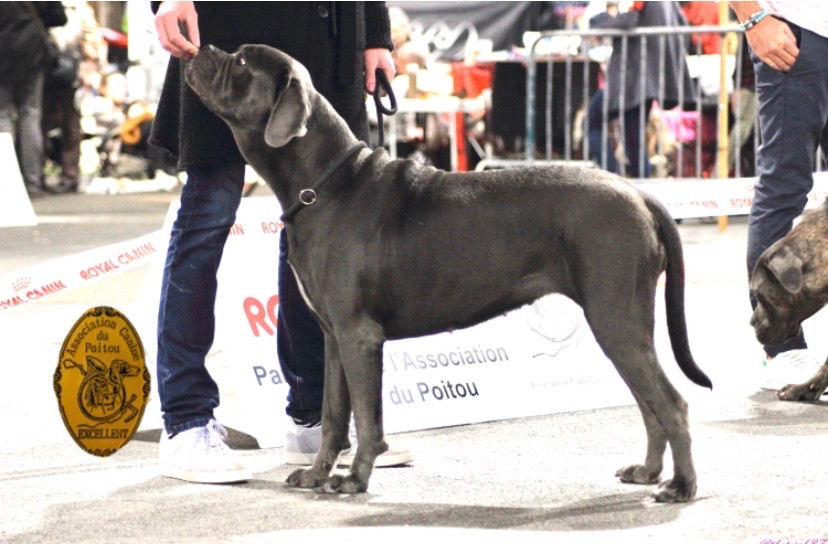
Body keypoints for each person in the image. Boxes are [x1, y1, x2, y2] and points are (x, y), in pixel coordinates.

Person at [149, 1, 412, 484]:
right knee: (208, 213)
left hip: (328, 32)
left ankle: (314, 414)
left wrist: (374, 32)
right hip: (228, 25)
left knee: (323, 222)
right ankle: (185, 420)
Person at [730, 1, 828, 391]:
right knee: (783, 188)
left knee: (782, 187)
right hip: (795, 32)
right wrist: (752, 17)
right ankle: (782, 348)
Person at [587, 1, 695, 178]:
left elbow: (629, 21)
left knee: (594, 122)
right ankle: (637, 186)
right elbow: (682, 24)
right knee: (634, 138)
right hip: (651, 75)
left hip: (633, 76)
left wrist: (600, 21)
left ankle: (613, 177)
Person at [0, 1, 67, 196]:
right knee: (30, 116)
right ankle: (32, 182)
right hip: (31, 54)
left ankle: (5, 181)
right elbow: (59, 17)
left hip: (2, 55)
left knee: (2, 117)